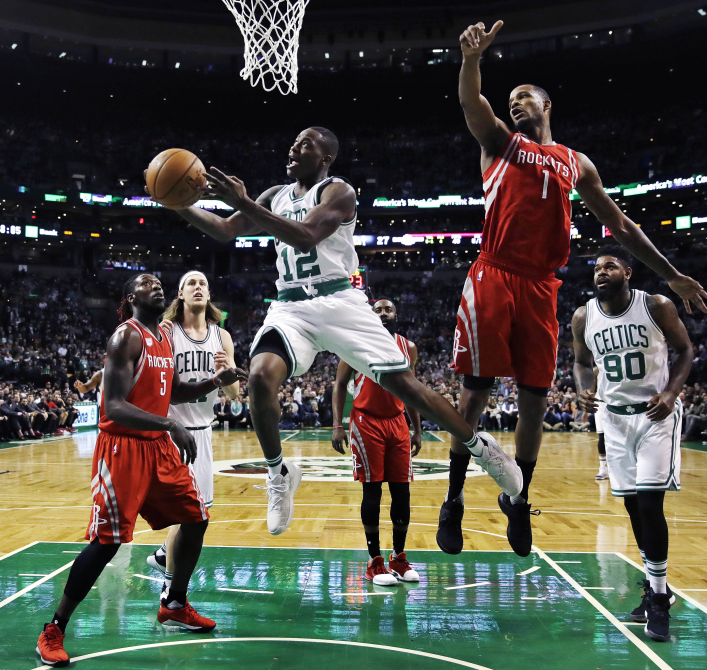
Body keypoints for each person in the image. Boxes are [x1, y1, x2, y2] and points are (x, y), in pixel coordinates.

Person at [440, 20, 707, 556]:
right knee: (474, 394)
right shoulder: (499, 142)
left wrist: (670, 273)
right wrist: (471, 60)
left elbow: (623, 227)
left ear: (546, 104)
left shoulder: (576, 162)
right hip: (493, 274)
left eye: (525, 98)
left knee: (535, 401)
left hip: (542, 286)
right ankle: (453, 501)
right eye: (511, 99)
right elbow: (472, 102)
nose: (516, 104)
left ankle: (519, 502)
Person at [165, 126, 520, 537]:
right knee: (260, 376)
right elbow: (225, 229)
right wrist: (175, 202)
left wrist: (243, 201)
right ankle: (279, 474)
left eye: (305, 145)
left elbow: (305, 237)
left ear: (326, 157)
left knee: (406, 386)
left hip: (340, 302)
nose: (294, 148)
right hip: (291, 305)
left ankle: (483, 449)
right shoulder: (274, 195)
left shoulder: (340, 192)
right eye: (293, 142)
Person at [35, 273, 247, 667]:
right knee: (108, 542)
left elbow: (174, 392)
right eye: (146, 282)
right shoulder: (125, 337)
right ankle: (54, 628)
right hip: (123, 450)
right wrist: (170, 423)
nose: (156, 284)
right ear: (132, 297)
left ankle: (174, 603)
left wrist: (217, 380)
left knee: (196, 518)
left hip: (157, 447)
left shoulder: (164, 338)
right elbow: (112, 406)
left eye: (157, 280)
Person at [571, 245, 693, 643]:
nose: (600, 273)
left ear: (627, 271)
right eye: (596, 268)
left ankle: (658, 599)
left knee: (648, 501)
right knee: (631, 505)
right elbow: (581, 362)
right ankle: (655, 586)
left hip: (654, 415)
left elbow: (686, 350)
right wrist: (583, 389)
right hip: (613, 418)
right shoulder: (582, 316)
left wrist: (672, 393)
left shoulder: (656, 305)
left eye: (609, 266)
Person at [146, 270, 242, 582]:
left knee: (196, 515)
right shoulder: (166, 331)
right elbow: (165, 387)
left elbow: (234, 394)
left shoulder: (222, 337)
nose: (197, 287)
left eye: (203, 283)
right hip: (173, 431)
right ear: (181, 293)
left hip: (204, 433)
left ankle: (163, 554)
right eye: (191, 283)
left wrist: (228, 375)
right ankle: (171, 590)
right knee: (188, 514)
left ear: (209, 293)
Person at [331, 298, 422, 586]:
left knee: (402, 493)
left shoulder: (408, 348)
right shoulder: (354, 344)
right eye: (378, 310)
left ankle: (398, 557)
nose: (383, 313)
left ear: (396, 315)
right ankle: (374, 561)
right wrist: (337, 425)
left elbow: (413, 391)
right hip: (365, 422)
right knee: (372, 493)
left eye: (388, 309)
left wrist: (417, 429)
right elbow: (338, 386)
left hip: (397, 423)